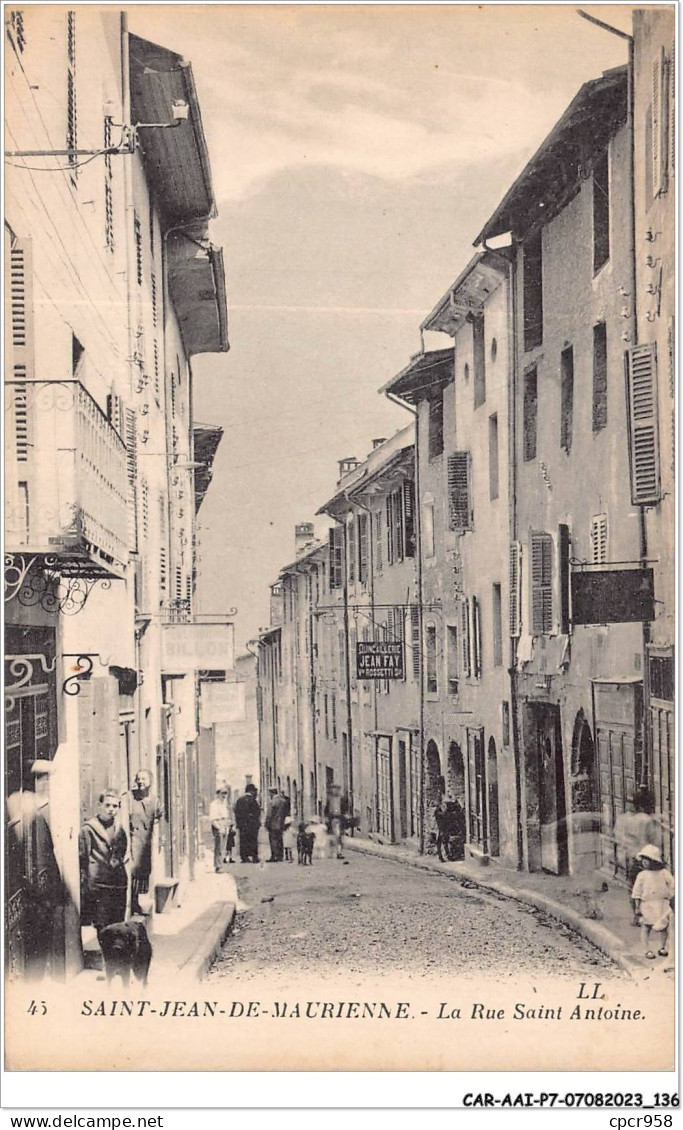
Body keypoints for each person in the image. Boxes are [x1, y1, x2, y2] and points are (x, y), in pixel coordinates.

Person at [79, 791, 128, 943]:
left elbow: (122, 851)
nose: (111, 809)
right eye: (107, 805)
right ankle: (106, 958)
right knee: (102, 925)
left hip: (118, 883)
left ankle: (117, 959)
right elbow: (83, 857)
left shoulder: (120, 828)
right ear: (100, 806)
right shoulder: (88, 829)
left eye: (115, 806)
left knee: (118, 923)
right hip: (99, 885)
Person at [613, 791, 658, 924]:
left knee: (634, 887)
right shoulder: (647, 820)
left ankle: (637, 916)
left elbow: (618, 838)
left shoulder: (624, 819)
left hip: (631, 857)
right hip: (647, 857)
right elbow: (654, 840)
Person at [126, 770, 162, 913]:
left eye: (144, 779)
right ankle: (133, 904)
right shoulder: (130, 798)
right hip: (134, 839)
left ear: (151, 782)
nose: (141, 781)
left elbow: (158, 820)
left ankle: (137, 902)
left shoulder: (155, 801)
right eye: (138, 778)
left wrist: (159, 839)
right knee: (133, 870)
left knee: (144, 870)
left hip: (146, 842)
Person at [632, 844, 674, 960]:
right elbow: (637, 892)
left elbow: (672, 885)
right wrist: (637, 907)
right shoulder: (642, 875)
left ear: (654, 861)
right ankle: (646, 949)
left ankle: (662, 947)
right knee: (646, 926)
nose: (645, 862)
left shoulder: (664, 873)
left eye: (648, 860)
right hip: (647, 904)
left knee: (663, 926)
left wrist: (670, 897)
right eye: (643, 860)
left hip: (662, 903)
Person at [234, 783, 261, 863]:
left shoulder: (240, 800)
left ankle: (244, 857)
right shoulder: (253, 800)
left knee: (243, 841)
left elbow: (236, 812)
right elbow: (257, 813)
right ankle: (254, 857)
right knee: (253, 840)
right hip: (252, 825)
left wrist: (239, 824)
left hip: (243, 825)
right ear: (251, 791)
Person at [265, 787, 289, 862]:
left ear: (272, 793)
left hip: (273, 824)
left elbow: (269, 814)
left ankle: (274, 856)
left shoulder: (272, 802)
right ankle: (280, 856)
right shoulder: (283, 801)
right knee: (280, 839)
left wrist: (267, 823)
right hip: (281, 823)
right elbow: (286, 812)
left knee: (273, 840)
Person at [209, 786, 230, 872]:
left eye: (225, 793)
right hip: (218, 825)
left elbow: (226, 817)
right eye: (222, 793)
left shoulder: (223, 804)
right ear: (218, 794)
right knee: (218, 847)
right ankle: (218, 866)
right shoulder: (214, 804)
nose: (224, 795)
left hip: (224, 825)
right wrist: (219, 828)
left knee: (223, 847)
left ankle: (220, 865)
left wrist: (227, 827)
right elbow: (213, 819)